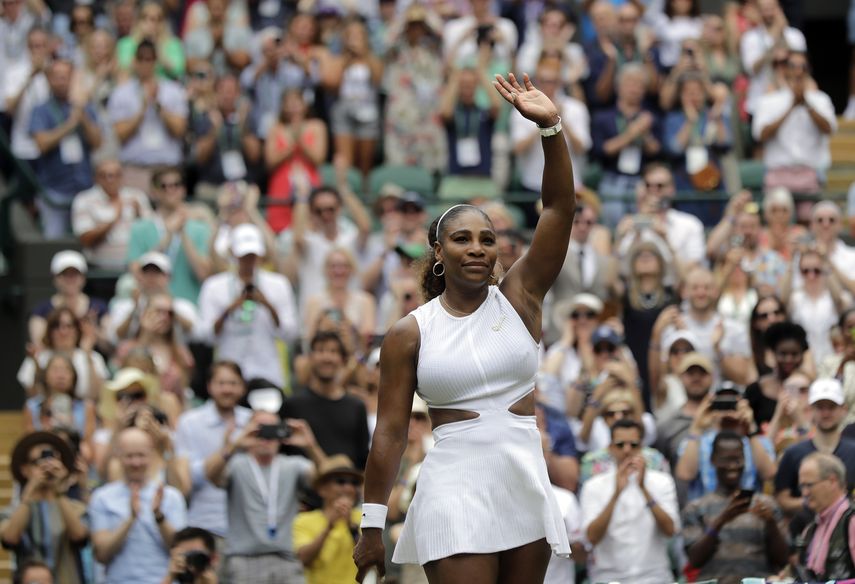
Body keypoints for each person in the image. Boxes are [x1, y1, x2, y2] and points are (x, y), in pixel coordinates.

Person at [354, 72, 574, 583]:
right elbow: (389, 433)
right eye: (461, 239)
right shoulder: (409, 332)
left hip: (523, 480)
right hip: (452, 489)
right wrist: (371, 525)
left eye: (487, 239)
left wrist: (551, 129)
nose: (477, 248)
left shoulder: (520, 298)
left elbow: (560, 208)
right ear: (438, 250)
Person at [204, 410, 327, 583]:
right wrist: (235, 444)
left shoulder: (292, 465)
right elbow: (210, 475)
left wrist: (311, 446)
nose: (266, 436)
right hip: (245, 559)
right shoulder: (237, 464)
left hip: (286, 558)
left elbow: (327, 480)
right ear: (249, 430)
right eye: (260, 429)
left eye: (272, 429)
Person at [197, 223, 298, 388]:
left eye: (253, 256)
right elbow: (206, 335)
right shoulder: (214, 286)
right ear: (233, 254)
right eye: (243, 256)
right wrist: (229, 310)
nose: (248, 261)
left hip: (267, 371)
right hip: (229, 372)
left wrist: (267, 305)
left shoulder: (278, 284)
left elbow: (289, 333)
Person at [681, 430, 789, 584]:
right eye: (725, 459)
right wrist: (720, 521)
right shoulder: (696, 507)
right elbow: (694, 560)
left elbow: (783, 559)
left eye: (737, 459)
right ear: (713, 460)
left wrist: (771, 523)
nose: (732, 466)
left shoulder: (765, 505)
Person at [580, 419, 680, 584]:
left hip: (655, 577)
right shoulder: (593, 486)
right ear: (610, 448)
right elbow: (591, 537)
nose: (627, 450)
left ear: (641, 448)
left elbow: (670, 530)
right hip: (608, 578)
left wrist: (644, 490)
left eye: (633, 445)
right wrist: (616, 494)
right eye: (620, 445)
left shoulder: (662, 481)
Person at [89, 426, 188, 584]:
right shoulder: (102, 498)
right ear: (118, 456)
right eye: (129, 456)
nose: (136, 463)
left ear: (152, 455)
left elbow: (181, 550)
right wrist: (130, 519)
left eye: (141, 455)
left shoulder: (170, 496)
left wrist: (159, 517)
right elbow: (101, 555)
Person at [174, 361, 251, 539]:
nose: (227, 389)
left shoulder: (252, 420)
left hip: (247, 527)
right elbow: (190, 478)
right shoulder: (190, 422)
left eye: (233, 383)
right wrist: (229, 449)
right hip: (205, 525)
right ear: (209, 386)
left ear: (243, 388)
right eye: (221, 383)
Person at [1, 431, 87, 584]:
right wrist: (30, 493)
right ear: (24, 469)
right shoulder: (13, 510)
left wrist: (59, 491)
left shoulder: (74, 507)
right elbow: (9, 539)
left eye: (52, 460)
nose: (46, 466)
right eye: (37, 462)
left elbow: (79, 536)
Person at [29, 58, 102, 238]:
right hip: (54, 189)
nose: (61, 81)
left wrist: (81, 115)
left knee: (87, 241)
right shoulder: (41, 110)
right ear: (49, 79)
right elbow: (42, 144)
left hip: (84, 188)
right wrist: (69, 125)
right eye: (57, 77)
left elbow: (97, 142)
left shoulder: (84, 107)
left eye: (65, 77)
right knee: (54, 242)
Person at [107, 39, 188, 192]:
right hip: (136, 170)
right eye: (141, 59)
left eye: (149, 59)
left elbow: (179, 130)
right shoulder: (121, 93)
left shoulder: (173, 91)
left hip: (167, 170)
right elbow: (120, 134)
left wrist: (158, 106)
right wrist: (142, 111)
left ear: (156, 62)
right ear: (135, 61)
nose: (145, 64)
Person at [281, 331, 370, 469]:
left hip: (348, 480)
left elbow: (363, 458)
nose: (327, 357)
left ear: (343, 360)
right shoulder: (292, 405)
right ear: (310, 358)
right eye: (320, 351)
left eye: (333, 351)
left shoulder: (356, 407)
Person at [753, 50, 836, 195]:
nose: (798, 71)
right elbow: (761, 135)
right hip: (777, 175)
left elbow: (829, 129)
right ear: (785, 69)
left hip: (810, 176)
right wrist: (791, 107)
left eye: (803, 66)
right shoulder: (769, 100)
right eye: (793, 66)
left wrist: (807, 105)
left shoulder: (820, 99)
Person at [126, 167, 212, 304]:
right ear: (154, 191)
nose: (171, 190)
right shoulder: (140, 228)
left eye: (176, 185)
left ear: (184, 189)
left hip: (190, 304)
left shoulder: (200, 228)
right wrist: (168, 236)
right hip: (152, 306)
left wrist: (183, 234)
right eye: (164, 186)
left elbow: (203, 274)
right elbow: (137, 273)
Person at [774, 378, 855, 516]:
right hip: (805, 527)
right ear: (811, 409)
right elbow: (781, 499)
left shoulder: (853, 451)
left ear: (843, 409)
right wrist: (817, 501)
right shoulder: (793, 453)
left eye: (831, 407)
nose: (826, 413)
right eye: (820, 407)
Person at [72, 158, 153, 271]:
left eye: (115, 175)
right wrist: (115, 218)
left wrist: (139, 216)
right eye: (104, 175)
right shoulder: (84, 199)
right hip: (99, 267)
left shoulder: (137, 196)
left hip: (136, 267)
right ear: (95, 178)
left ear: (122, 176)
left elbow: (152, 233)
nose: (110, 180)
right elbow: (86, 240)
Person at [293, 455, 364, 584]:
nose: (348, 488)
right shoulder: (303, 520)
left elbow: (369, 558)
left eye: (354, 483)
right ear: (322, 489)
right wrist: (328, 528)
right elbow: (303, 560)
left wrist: (351, 526)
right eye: (340, 481)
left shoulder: (363, 517)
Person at [789, 453, 855, 580]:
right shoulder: (811, 529)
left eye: (809, 485)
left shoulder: (851, 520)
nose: (805, 493)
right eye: (802, 486)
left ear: (832, 481)